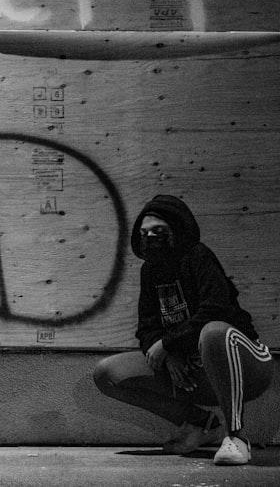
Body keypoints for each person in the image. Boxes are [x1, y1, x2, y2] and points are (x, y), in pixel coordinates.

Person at [94, 194, 274, 466]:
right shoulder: (150, 271)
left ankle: (237, 437)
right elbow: (146, 328)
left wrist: (168, 344)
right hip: (193, 372)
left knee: (213, 332)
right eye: (144, 232)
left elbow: (217, 309)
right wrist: (168, 353)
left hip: (246, 366)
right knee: (108, 374)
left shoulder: (197, 256)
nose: (150, 237)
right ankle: (200, 423)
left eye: (159, 231)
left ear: (177, 231)